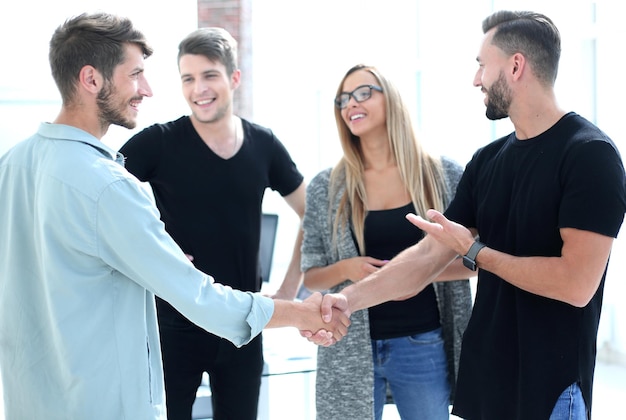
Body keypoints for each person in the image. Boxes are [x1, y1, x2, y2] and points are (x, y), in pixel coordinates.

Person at [0, 13, 348, 420]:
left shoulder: (11, 165)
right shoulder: (111, 184)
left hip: (34, 402)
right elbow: (199, 298)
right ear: (92, 80)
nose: (147, 90)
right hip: (108, 401)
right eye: (135, 75)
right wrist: (300, 311)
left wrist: (152, 254)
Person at [317, 10, 626, 420]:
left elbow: (576, 284)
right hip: (485, 385)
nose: (476, 79)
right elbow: (428, 258)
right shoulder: (486, 162)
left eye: (482, 65)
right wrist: (345, 300)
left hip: (551, 390)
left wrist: (476, 251)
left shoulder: (589, 155)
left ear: (516, 66)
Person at [118, 27, 307, 420]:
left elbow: (312, 212)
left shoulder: (264, 144)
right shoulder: (159, 142)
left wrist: (288, 291)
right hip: (174, 324)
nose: (198, 88)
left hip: (243, 323)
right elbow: (101, 195)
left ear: (234, 78)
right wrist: (149, 253)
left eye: (209, 75)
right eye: (188, 78)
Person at [301, 64, 472, 420]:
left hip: (420, 342)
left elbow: (473, 260)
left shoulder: (443, 176)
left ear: (391, 99)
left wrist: (414, 274)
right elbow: (312, 277)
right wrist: (347, 269)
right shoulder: (326, 187)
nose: (351, 103)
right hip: (347, 349)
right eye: (343, 99)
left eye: (363, 92)